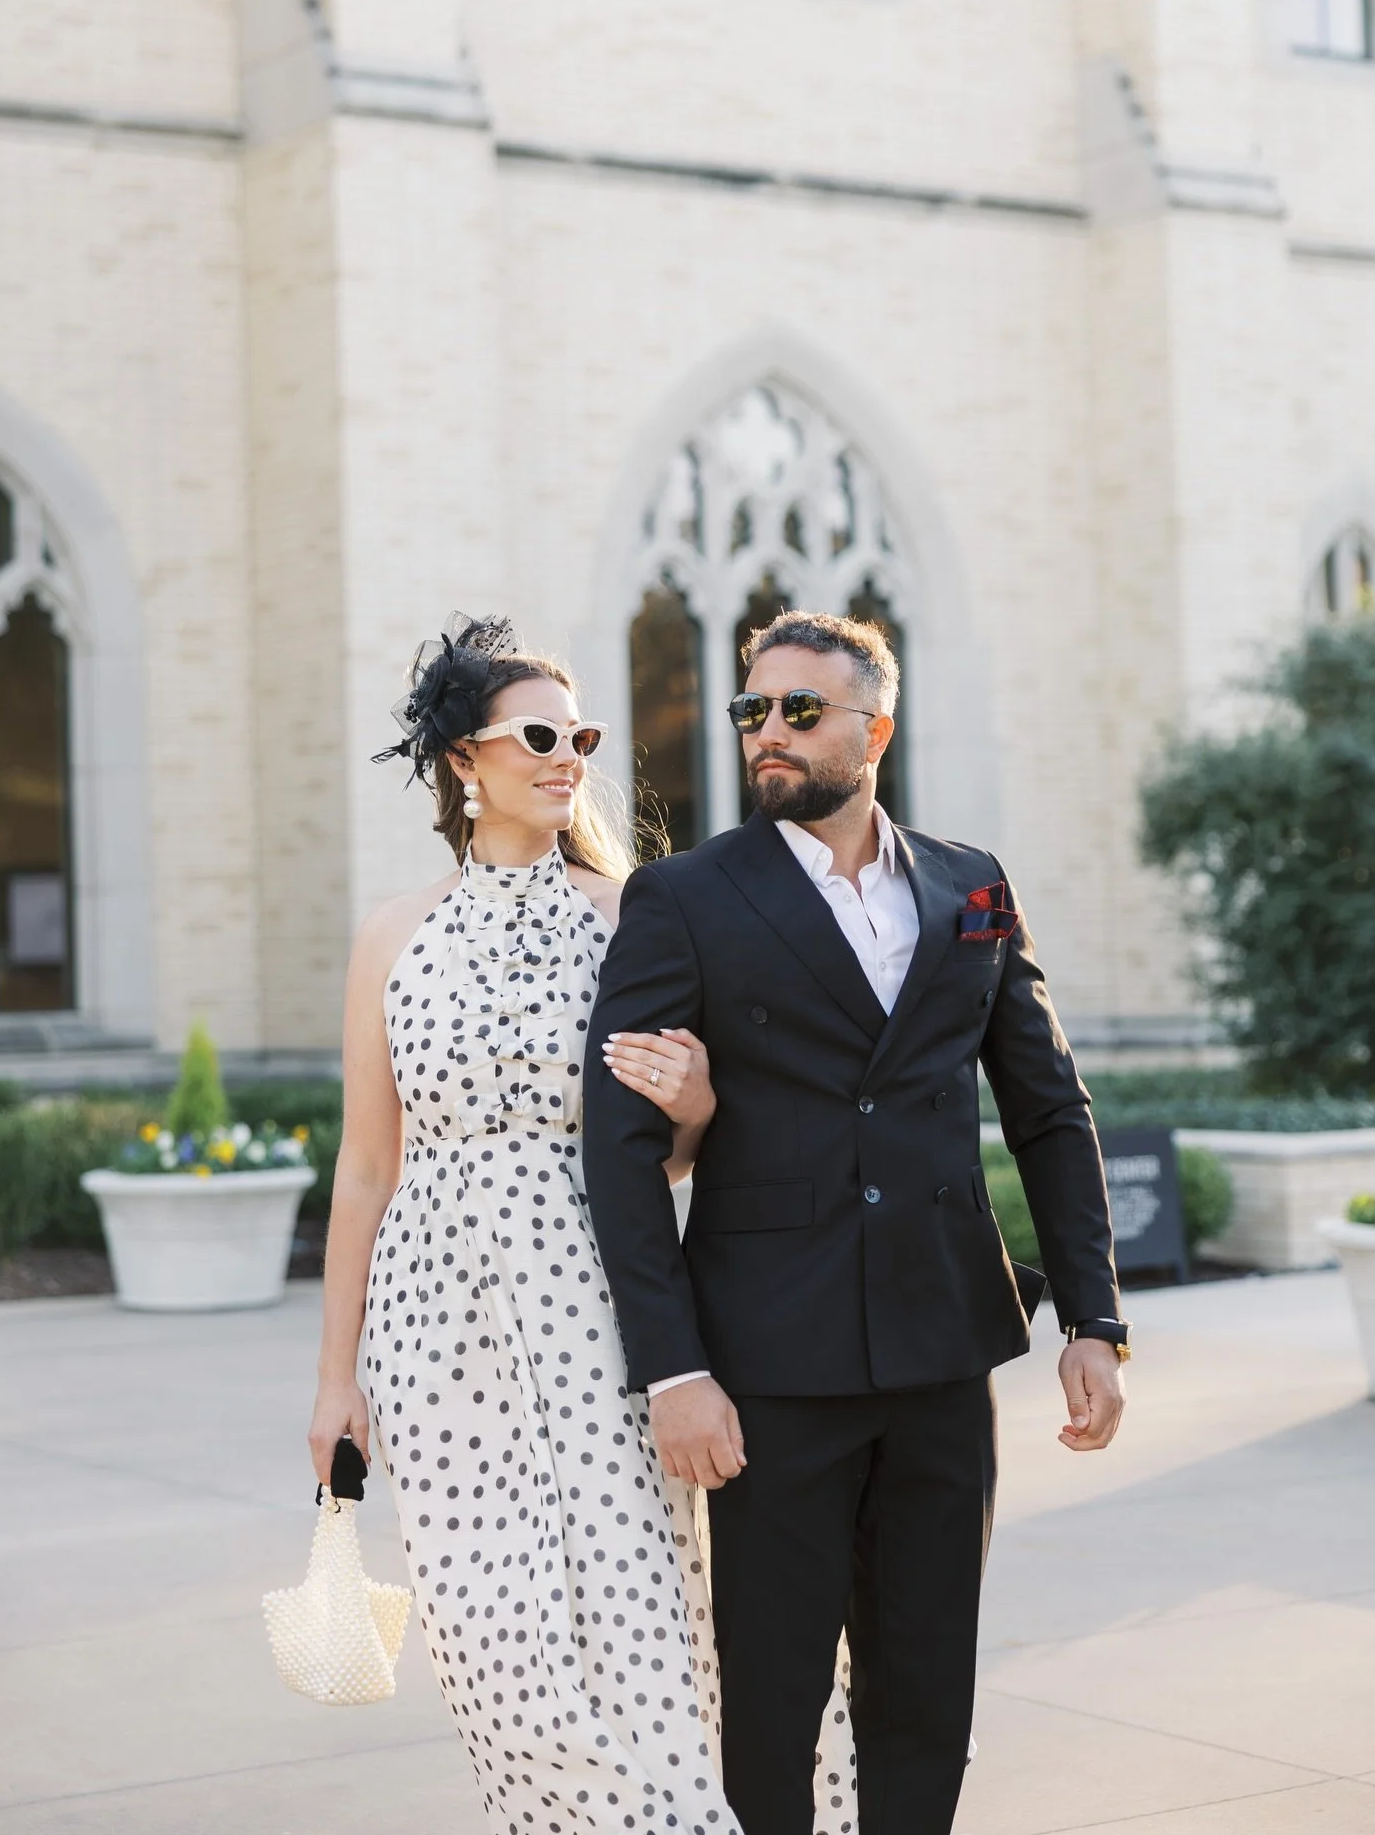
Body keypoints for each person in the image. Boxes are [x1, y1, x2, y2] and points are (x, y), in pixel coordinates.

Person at [583, 610, 1129, 1835]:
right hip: (770, 1368)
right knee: (771, 1710)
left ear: (874, 729)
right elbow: (618, 1153)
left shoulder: (973, 886)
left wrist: (1094, 1317)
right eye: (751, 710)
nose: (765, 732)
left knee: (927, 1693)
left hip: (944, 1351)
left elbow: (1047, 1109)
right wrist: (672, 1366)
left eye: (799, 711)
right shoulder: (682, 897)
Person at [307, 612, 740, 1835]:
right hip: (432, 1327)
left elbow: (681, 1141)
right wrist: (337, 1380)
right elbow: (363, 1171)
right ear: (464, 761)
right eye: (541, 734)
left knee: (638, 1613)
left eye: (582, 735)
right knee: (492, 1640)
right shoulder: (390, 936)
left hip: (602, 1303)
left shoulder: (631, 915)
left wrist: (698, 1106)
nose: (571, 757)